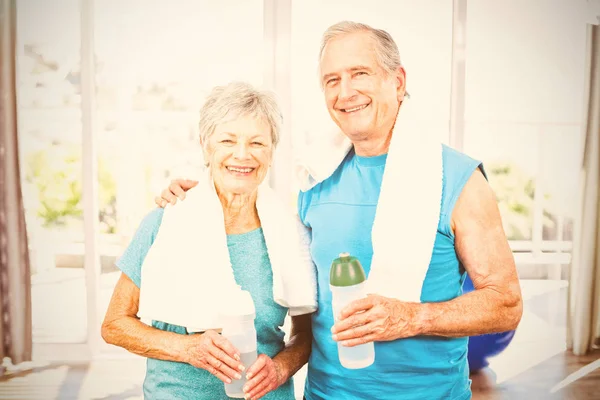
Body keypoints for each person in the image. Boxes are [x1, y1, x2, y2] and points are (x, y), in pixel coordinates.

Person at [155, 21, 523, 400]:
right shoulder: (316, 179)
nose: (345, 92)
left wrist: (412, 317)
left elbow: (506, 303)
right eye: (332, 80)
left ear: (397, 81)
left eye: (359, 74)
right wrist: (194, 196)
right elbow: (292, 287)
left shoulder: (459, 179)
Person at [102, 81, 317, 400]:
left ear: (272, 151)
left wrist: (281, 368)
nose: (242, 155)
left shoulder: (292, 231)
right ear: (206, 146)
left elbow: (305, 334)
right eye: (227, 140)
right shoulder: (167, 219)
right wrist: (188, 349)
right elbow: (115, 325)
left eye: (257, 142)